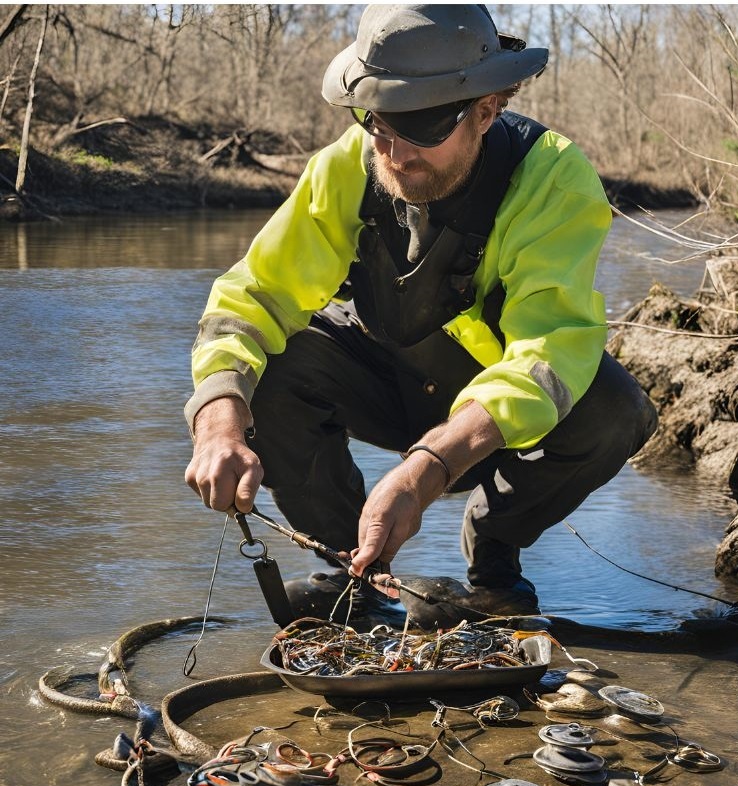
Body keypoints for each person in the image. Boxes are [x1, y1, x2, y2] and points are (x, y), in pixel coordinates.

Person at [184, 4, 657, 622]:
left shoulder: (554, 180)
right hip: (376, 376)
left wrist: (430, 467)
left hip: (487, 406)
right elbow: (254, 296)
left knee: (615, 410)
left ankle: (494, 559)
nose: (396, 154)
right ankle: (355, 569)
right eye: (379, 123)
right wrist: (219, 419)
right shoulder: (345, 167)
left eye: (426, 128)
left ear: (487, 110)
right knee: (260, 376)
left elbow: (548, 350)